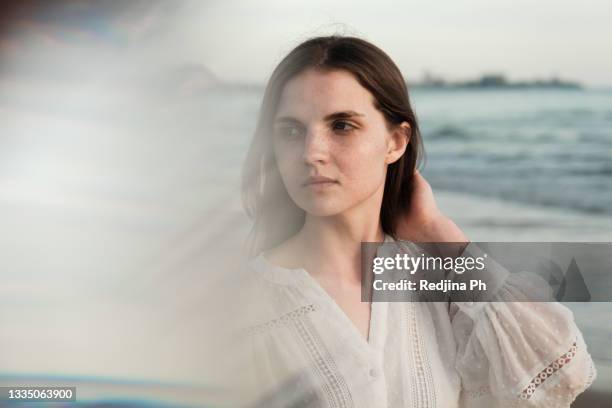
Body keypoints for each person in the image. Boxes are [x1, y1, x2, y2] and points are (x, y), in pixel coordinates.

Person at [238, 35, 596, 407]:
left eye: (342, 125)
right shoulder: (242, 307)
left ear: (395, 141)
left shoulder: (440, 281)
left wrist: (440, 234)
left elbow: (561, 373)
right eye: (291, 130)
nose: (311, 152)